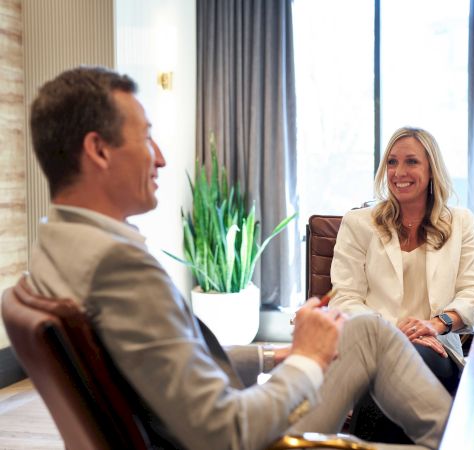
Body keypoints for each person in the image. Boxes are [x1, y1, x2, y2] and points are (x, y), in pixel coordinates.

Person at [25, 67, 451, 450]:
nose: (160, 157)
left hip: (210, 420)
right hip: (245, 435)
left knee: (367, 332)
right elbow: (224, 432)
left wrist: (275, 356)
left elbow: (172, 362)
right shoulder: (119, 269)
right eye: (146, 137)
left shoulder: (56, 247)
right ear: (98, 150)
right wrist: (307, 359)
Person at [329, 126, 474, 441]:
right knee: (389, 361)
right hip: (374, 346)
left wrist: (436, 324)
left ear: (432, 170)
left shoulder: (460, 222)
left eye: (411, 162)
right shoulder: (358, 223)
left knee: (405, 360)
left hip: (437, 349)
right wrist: (391, 333)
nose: (399, 172)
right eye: (391, 162)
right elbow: (344, 299)